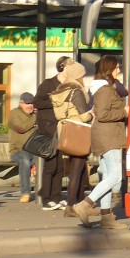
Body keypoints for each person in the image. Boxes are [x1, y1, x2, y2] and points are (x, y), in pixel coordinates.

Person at [75, 55, 128, 228]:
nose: (119, 70)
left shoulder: (105, 87)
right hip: (108, 136)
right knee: (115, 175)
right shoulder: (105, 90)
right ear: (110, 69)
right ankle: (86, 204)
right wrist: (124, 113)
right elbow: (104, 114)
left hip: (106, 135)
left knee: (106, 173)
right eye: (117, 67)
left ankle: (106, 216)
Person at [53, 60, 93, 217]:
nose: (84, 78)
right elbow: (83, 116)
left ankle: (81, 203)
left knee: (80, 170)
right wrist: (92, 113)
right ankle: (70, 206)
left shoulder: (59, 91)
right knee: (76, 171)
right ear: (78, 76)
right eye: (82, 75)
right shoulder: (76, 92)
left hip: (65, 132)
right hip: (78, 134)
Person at [34, 55, 72, 211]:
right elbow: (37, 102)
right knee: (50, 165)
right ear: (62, 67)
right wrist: (56, 100)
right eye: (71, 65)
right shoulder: (48, 84)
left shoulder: (70, 85)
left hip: (63, 129)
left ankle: (56, 197)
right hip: (49, 130)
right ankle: (46, 198)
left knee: (60, 166)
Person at [7, 92, 38, 203]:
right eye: (27, 103)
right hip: (17, 151)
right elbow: (21, 128)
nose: (30, 106)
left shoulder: (34, 115)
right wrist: (35, 118)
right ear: (21, 103)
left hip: (34, 151)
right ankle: (25, 193)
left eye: (32, 103)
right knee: (25, 159)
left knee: (44, 159)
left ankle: (44, 192)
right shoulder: (14, 113)